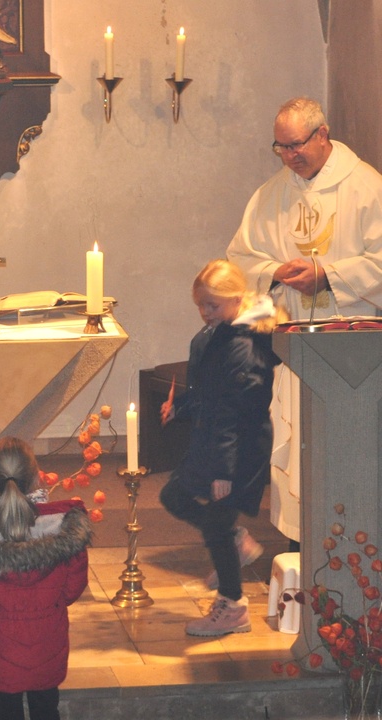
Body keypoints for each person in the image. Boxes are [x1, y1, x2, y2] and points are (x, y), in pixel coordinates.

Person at [227, 97, 382, 543]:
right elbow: (238, 257)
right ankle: (302, 544)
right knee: (297, 439)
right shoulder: (273, 193)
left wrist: (328, 276)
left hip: (352, 346)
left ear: (322, 135)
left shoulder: (366, 187)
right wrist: (274, 272)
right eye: (280, 147)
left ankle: (349, 541)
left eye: (297, 145)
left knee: (345, 446)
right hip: (294, 344)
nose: (290, 156)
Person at [159, 260, 282, 637]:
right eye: (200, 305)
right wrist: (180, 406)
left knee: (216, 523)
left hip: (237, 451)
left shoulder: (243, 347)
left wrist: (224, 472)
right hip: (215, 441)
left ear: (235, 299)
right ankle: (235, 541)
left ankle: (233, 606)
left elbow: (233, 413)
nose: (204, 312)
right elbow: (209, 393)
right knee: (174, 495)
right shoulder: (220, 335)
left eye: (212, 305)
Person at [0, 436, 92, 720]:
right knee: (46, 711)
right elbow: (73, 588)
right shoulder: (64, 526)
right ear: (37, 476)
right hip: (47, 645)